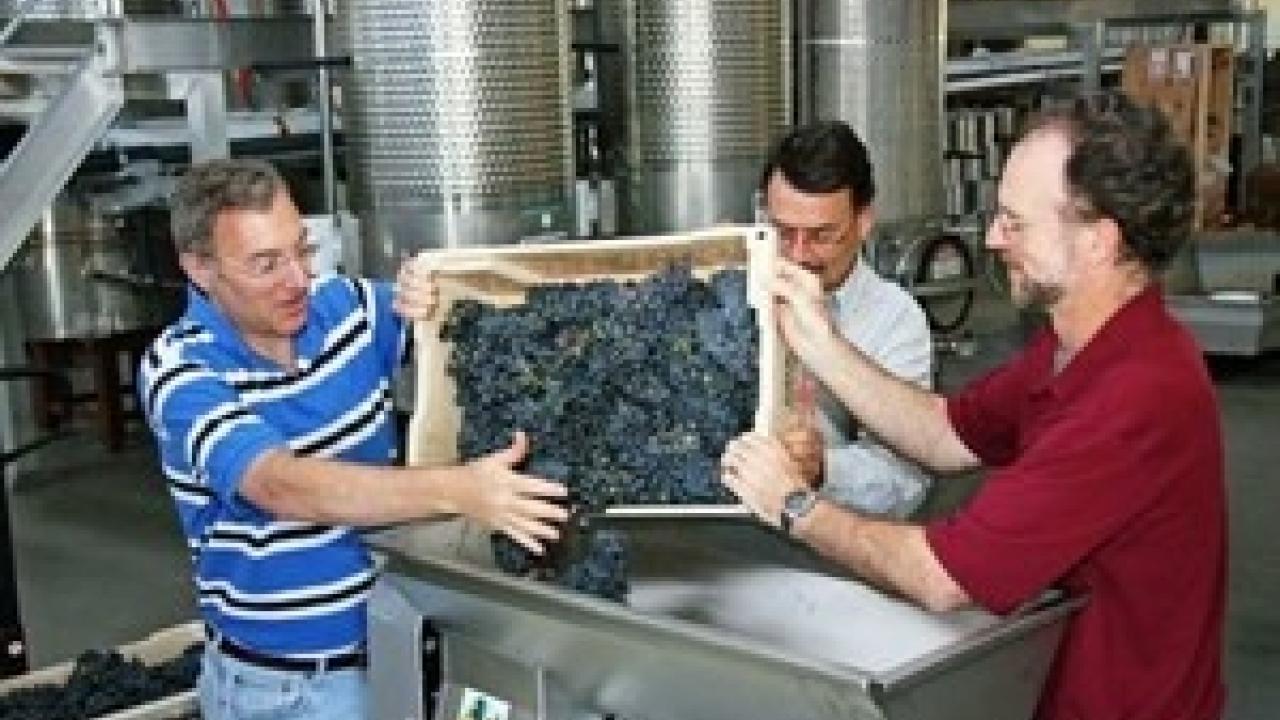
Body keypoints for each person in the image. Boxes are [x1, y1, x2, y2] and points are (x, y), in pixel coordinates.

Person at [721, 91, 1225, 720]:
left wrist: (795, 506)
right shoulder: (1072, 348)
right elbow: (944, 433)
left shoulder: (1137, 396)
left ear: (1098, 241)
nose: (990, 238)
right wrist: (821, 345)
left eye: (1015, 222)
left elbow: (943, 577)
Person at [138, 158, 568, 720]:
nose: (298, 281)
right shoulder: (180, 371)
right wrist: (461, 491)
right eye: (266, 265)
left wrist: (434, 289)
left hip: (398, 654)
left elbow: (461, 328)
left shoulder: (346, 309)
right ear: (199, 268)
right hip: (286, 694)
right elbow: (280, 485)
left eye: (302, 251)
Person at [759, 121, 934, 518]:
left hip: (824, 560)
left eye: (822, 235)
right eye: (784, 232)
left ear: (863, 222)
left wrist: (825, 469)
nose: (799, 254)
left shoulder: (895, 321)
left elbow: (906, 479)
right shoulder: (732, 295)